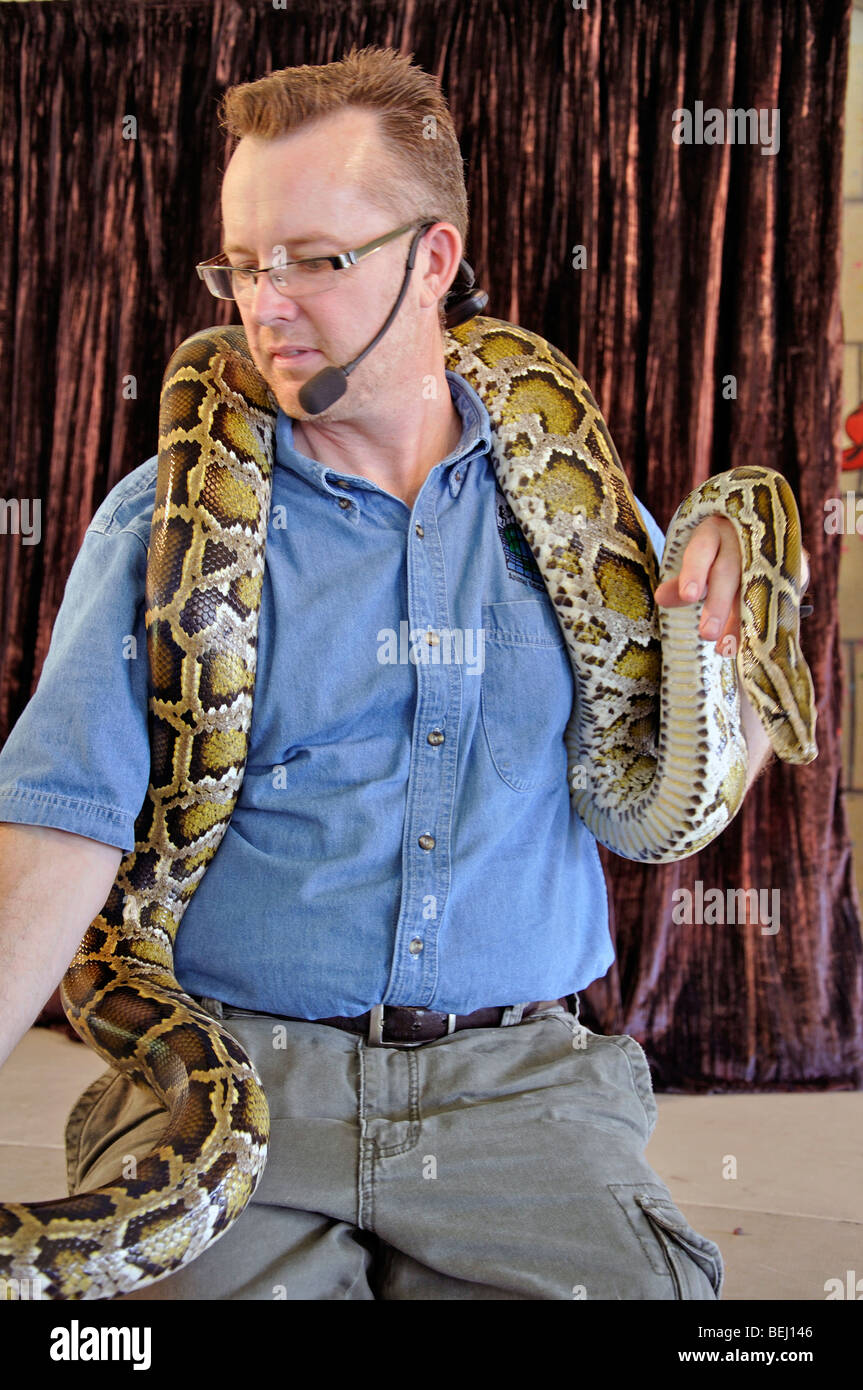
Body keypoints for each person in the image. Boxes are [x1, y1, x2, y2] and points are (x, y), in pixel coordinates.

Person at [0, 45, 776, 1300]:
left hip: (520, 1095)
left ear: (432, 261)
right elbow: (59, 830)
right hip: (241, 1075)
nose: (267, 305)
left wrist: (723, 676)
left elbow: (654, 814)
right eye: (244, 265)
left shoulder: (583, 516)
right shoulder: (159, 520)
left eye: (315, 258)